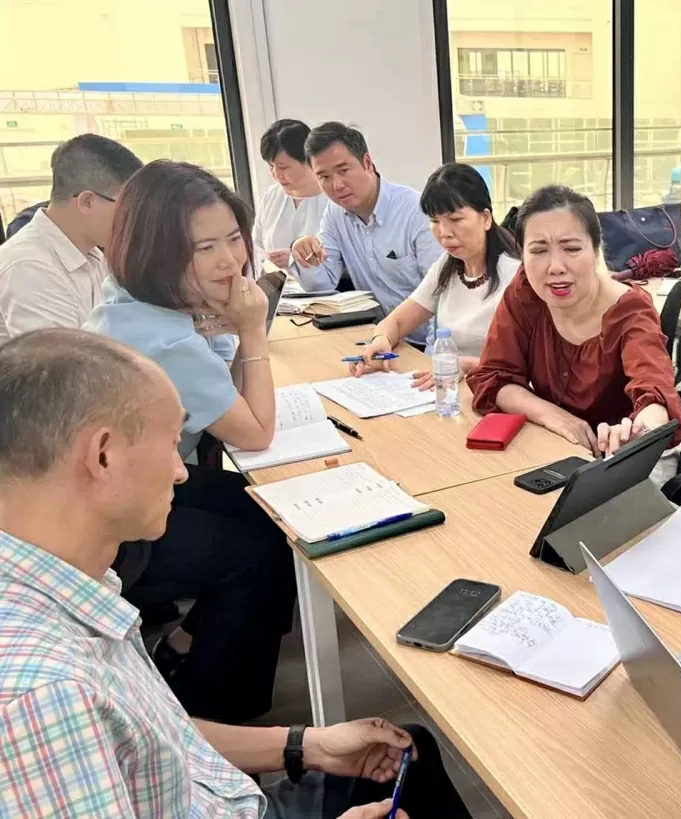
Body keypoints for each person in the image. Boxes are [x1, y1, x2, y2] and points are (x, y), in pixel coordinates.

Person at [0, 328, 471, 818]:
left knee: (407, 752)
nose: (181, 472)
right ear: (103, 455)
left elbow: (152, 737)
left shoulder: (69, 581)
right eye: (169, 443)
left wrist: (303, 745)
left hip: (215, 796)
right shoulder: (43, 698)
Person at [84, 159, 295, 724]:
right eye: (204, 248)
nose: (230, 259)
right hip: (112, 525)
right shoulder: (160, 336)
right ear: (157, 249)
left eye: (233, 238)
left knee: (261, 511)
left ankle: (184, 645)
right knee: (258, 553)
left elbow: (216, 395)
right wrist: (252, 329)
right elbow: (255, 431)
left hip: (126, 479)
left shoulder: (129, 299)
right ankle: (214, 714)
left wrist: (219, 326)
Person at [467, 185, 681, 456]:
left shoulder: (630, 310)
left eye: (571, 248)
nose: (555, 266)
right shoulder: (526, 291)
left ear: (596, 252)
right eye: (538, 251)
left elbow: (655, 394)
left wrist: (640, 434)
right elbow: (494, 377)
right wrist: (554, 415)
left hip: (619, 459)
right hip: (554, 444)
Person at [349, 163, 519, 386]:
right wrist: (381, 341)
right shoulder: (447, 267)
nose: (444, 233)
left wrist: (469, 365)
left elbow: (531, 368)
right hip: (451, 387)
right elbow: (398, 322)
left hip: (497, 391)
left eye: (455, 220)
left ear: (486, 218)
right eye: (434, 221)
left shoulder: (517, 276)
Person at [291, 122, 444, 346]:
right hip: (384, 339)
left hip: (428, 343)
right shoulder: (335, 214)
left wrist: (434, 358)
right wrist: (305, 253)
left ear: (367, 163)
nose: (337, 185)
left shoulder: (416, 212)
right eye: (324, 177)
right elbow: (321, 286)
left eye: (343, 170)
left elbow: (442, 296)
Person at [0, 134, 141, 344]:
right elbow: (63, 369)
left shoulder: (90, 252)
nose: (134, 220)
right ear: (87, 202)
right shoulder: (30, 268)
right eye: (128, 209)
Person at [253, 118, 328, 271]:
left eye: (283, 167)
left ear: (308, 159)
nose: (276, 174)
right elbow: (256, 246)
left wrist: (297, 260)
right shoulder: (269, 197)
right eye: (271, 166)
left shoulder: (334, 199)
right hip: (278, 289)